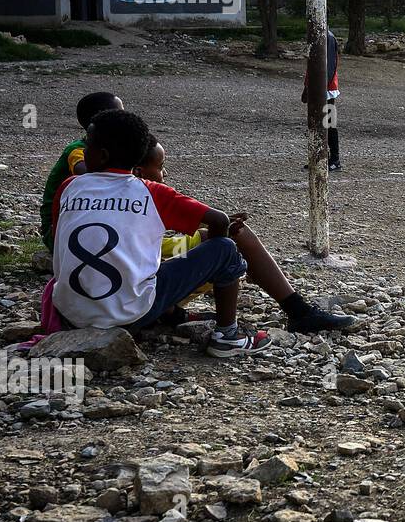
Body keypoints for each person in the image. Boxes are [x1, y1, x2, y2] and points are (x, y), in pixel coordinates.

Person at [49, 109, 271, 358]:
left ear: (101, 156)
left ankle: (170, 314)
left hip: (70, 313)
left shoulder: (69, 187)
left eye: (87, 144)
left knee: (137, 261)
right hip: (130, 314)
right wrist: (215, 246)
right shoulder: (152, 192)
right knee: (225, 249)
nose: (83, 150)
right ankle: (227, 336)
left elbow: (60, 242)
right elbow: (219, 219)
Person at [134, 137, 357, 333]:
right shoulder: (148, 192)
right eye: (161, 166)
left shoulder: (103, 188)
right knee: (229, 241)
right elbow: (214, 221)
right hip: (145, 289)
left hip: (119, 292)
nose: (165, 173)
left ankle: (298, 310)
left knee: (222, 234)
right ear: (137, 170)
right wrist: (211, 239)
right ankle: (231, 333)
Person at [40, 92, 124, 250]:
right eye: (120, 113)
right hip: (57, 231)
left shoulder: (108, 150)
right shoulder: (78, 150)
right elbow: (87, 174)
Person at [301, 28, 341, 171]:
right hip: (318, 86)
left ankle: (335, 159)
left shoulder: (328, 37)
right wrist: (307, 87)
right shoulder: (317, 35)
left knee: (329, 122)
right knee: (317, 122)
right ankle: (319, 156)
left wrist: (321, 89)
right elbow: (312, 64)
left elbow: (330, 65)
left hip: (326, 88)